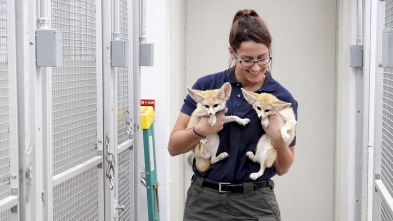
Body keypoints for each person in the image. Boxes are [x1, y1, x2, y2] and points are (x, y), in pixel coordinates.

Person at [168, 9, 298, 221]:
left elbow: (283, 168)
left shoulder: (281, 99)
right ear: (232, 53)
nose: (256, 67)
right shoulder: (207, 87)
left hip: (256, 205)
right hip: (205, 203)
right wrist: (200, 130)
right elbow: (174, 147)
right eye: (247, 60)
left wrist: (277, 137)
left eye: (263, 58)